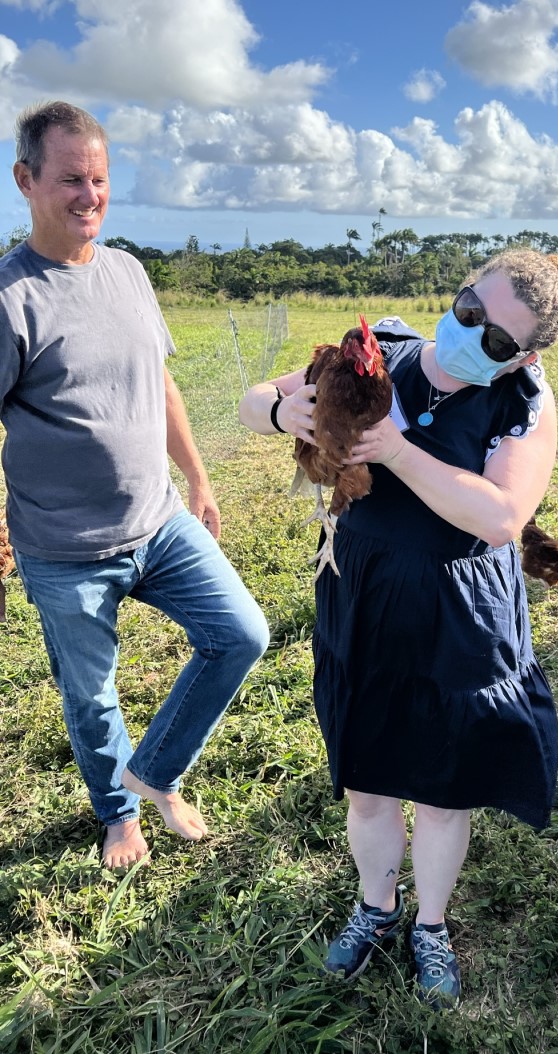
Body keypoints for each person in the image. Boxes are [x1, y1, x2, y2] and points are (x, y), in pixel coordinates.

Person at [239, 249, 558, 1007]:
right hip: (360, 595)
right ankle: (377, 906)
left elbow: (501, 517)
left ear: (525, 354)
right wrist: (283, 410)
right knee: (367, 783)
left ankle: (429, 923)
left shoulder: (523, 400)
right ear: (460, 292)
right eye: (471, 311)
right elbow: (251, 401)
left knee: (440, 791)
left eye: (498, 339)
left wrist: (398, 451)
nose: (473, 334)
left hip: (458, 612)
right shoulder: (381, 354)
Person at [0, 101, 269, 870]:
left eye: (100, 179)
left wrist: (198, 475)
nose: (90, 196)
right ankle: (119, 817)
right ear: (25, 180)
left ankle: (152, 774)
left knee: (241, 633)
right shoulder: (10, 298)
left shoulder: (127, 271)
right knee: (91, 697)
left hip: (158, 522)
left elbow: (162, 386)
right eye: (69, 180)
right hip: (64, 549)